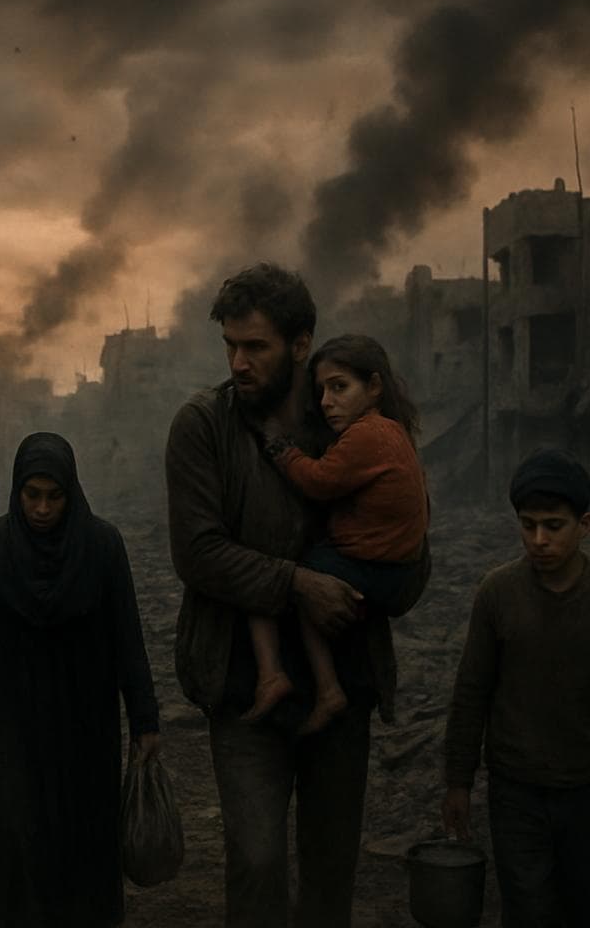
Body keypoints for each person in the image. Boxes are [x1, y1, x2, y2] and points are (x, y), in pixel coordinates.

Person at [166, 263, 429, 927]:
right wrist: (297, 583)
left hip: (344, 682)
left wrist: (385, 579)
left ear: (301, 344)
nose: (239, 363)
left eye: (256, 347)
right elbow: (198, 553)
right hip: (244, 684)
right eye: (230, 346)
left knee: (329, 869)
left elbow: (413, 542)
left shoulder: (351, 421)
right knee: (255, 863)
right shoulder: (202, 425)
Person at [0, 432, 160, 927]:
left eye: (54, 497)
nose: (41, 508)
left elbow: (127, 639)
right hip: (10, 723)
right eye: (31, 495)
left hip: (84, 720)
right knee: (17, 838)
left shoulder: (101, 546)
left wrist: (145, 722)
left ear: (71, 493)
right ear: (17, 492)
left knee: (83, 836)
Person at [442, 449, 590, 926]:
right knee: (526, 908)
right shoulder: (497, 594)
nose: (539, 540)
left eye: (553, 525)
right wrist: (458, 781)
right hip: (515, 789)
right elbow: (471, 693)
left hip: (589, 789)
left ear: (584, 525)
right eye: (528, 526)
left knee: (581, 907)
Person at [248, 334, 429, 733]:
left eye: (340, 387)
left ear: (375, 387)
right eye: (322, 391)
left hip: (377, 569)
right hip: (395, 567)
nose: (327, 401)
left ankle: (324, 688)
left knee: (301, 578)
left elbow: (318, 480)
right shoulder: (394, 432)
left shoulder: (368, 435)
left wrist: (281, 448)